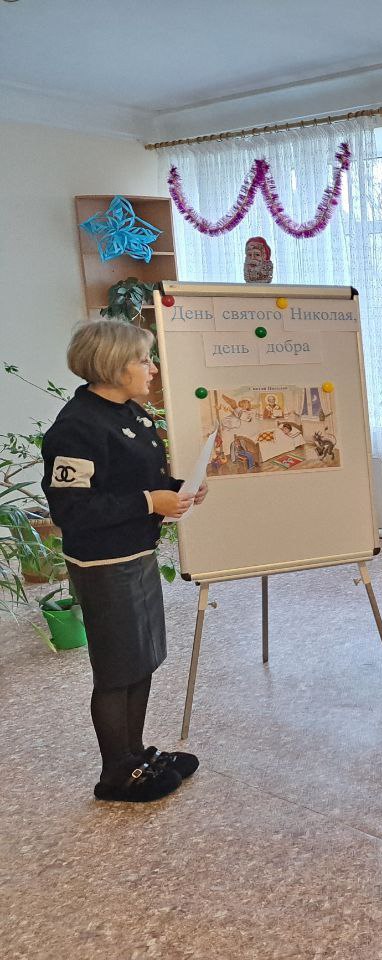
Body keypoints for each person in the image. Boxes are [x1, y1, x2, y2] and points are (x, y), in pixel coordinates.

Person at [41, 320, 208, 803]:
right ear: (113, 365)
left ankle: (136, 756)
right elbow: (72, 510)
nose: (151, 369)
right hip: (103, 562)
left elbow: (136, 478)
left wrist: (178, 490)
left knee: (141, 659)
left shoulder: (131, 412)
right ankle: (115, 773)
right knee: (117, 669)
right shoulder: (76, 427)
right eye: (143, 360)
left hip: (136, 553)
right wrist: (149, 503)